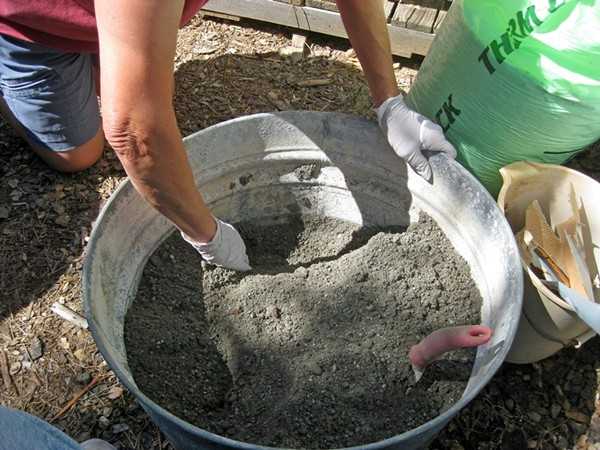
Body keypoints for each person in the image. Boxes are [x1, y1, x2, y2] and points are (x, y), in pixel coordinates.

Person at [0, 0, 456, 273]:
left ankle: (109, 44)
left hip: (121, 15)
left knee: (140, 85)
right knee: (77, 154)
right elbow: (133, 131)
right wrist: (208, 236)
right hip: (36, 28)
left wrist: (388, 101)